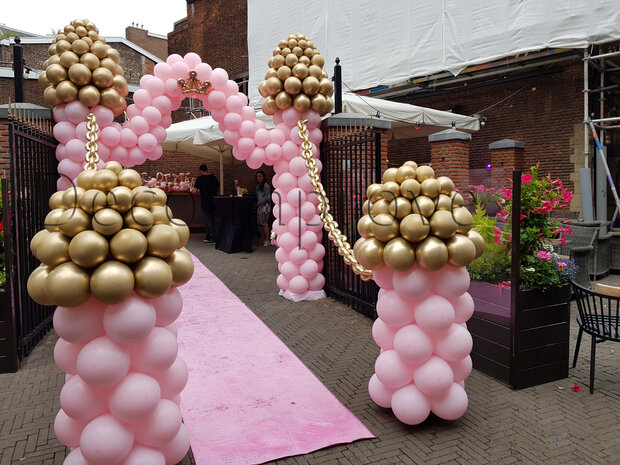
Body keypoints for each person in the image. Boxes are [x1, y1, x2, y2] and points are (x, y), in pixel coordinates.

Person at [192, 164, 219, 243]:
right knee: (210, 219)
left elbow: (194, 191)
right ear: (207, 170)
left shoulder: (200, 179)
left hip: (205, 201)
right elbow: (218, 187)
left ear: (200, 170)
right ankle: (207, 237)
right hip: (214, 201)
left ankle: (214, 238)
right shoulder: (213, 177)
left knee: (209, 220)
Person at [255, 170, 272, 246]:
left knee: (264, 223)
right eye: (257, 176)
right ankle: (262, 238)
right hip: (260, 206)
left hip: (266, 206)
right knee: (259, 223)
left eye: (260, 176)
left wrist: (260, 202)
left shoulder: (266, 186)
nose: (258, 177)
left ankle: (267, 240)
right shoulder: (258, 186)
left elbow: (267, 196)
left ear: (263, 177)